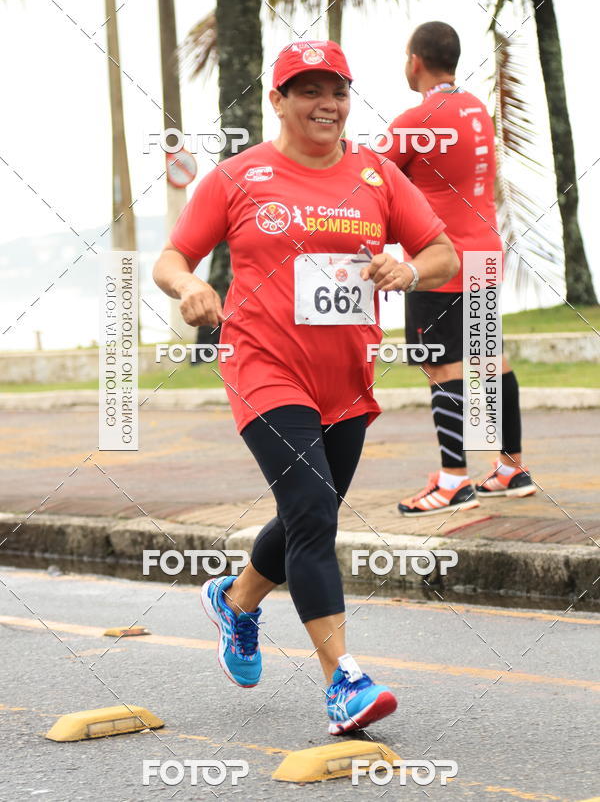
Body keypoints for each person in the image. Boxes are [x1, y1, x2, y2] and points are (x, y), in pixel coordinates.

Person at [153, 39, 458, 734]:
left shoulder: (378, 177)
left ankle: (236, 601)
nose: (329, 104)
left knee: (307, 516)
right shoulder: (237, 178)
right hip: (263, 367)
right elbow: (172, 257)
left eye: (339, 91)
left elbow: (440, 251)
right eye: (310, 90)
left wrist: (409, 272)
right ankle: (344, 684)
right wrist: (193, 285)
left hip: (347, 380)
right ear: (279, 100)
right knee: (315, 513)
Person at [385, 21, 537, 516]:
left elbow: (372, 178)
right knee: (490, 357)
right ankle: (511, 467)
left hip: (438, 260)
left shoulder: (414, 120)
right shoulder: (476, 111)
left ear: (415, 61)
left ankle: (453, 480)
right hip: (484, 252)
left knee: (439, 361)